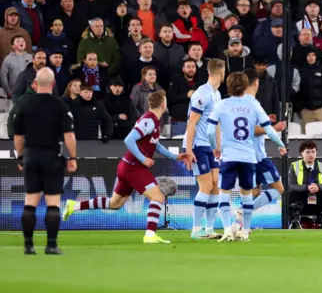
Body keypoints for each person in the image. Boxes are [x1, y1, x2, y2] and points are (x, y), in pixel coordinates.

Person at [63, 90, 194, 244]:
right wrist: (143, 158)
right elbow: (129, 140)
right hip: (134, 167)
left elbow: (155, 144)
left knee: (115, 204)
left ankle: (74, 205)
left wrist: (175, 157)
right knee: (158, 196)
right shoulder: (149, 121)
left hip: (127, 166)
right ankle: (150, 235)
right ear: (164, 104)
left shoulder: (152, 122)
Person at [207, 71, 287, 241]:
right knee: (266, 191)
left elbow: (210, 130)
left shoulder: (222, 104)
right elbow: (264, 130)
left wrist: (215, 148)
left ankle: (231, 227)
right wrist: (280, 143)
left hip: (230, 156)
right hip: (253, 156)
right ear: (253, 84)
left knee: (227, 192)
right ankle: (243, 226)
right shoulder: (253, 104)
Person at [14, 68, 77, 255]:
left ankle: (28, 245)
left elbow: (18, 136)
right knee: (52, 203)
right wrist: (72, 157)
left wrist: (20, 157)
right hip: (52, 157)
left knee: (30, 201)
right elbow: (69, 135)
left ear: (36, 83)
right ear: (53, 83)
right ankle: (51, 245)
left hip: (31, 156)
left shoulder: (24, 105)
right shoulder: (60, 106)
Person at [183, 59, 225, 239]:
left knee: (215, 185)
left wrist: (218, 146)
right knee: (206, 185)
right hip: (198, 145)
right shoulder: (202, 94)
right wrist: (188, 149)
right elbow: (191, 123)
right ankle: (196, 229)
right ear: (221, 73)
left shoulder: (217, 95)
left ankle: (209, 229)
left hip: (210, 147)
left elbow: (216, 124)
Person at [287, 140, 322, 229]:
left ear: (316, 153)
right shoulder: (294, 166)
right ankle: (293, 224)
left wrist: (318, 187)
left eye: (313, 152)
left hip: (318, 197)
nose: (311, 154)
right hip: (302, 199)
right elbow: (291, 185)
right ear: (302, 153)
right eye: (308, 152)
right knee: (291, 193)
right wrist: (307, 187)